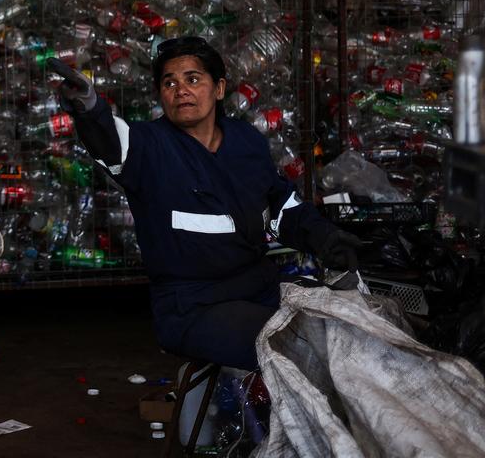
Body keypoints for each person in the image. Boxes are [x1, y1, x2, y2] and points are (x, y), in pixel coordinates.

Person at [56, 35, 361, 371]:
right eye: (169, 82)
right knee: (297, 347)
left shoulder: (246, 141)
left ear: (218, 89)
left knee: (348, 329)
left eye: (193, 79)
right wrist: (89, 107)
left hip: (259, 286)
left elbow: (279, 205)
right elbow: (111, 142)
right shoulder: (149, 147)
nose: (181, 90)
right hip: (193, 306)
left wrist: (323, 237)